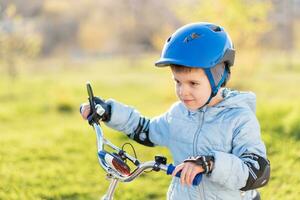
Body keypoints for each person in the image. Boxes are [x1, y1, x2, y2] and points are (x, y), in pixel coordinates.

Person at [80, 22, 270, 200]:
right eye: (177, 82)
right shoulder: (178, 114)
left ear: (218, 78)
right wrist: (108, 112)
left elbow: (257, 171)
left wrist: (210, 163)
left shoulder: (239, 118)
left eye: (193, 83)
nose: (182, 91)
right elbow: (146, 130)